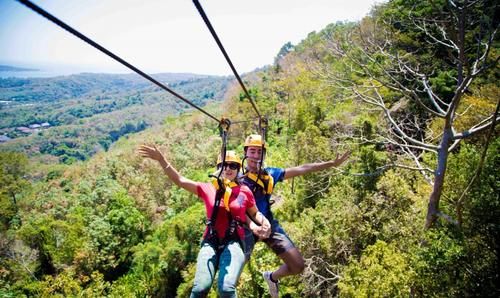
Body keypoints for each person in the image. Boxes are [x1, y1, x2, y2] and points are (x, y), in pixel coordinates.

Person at [138, 145, 271, 298]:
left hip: (234, 241)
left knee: (227, 288)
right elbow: (180, 180)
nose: (228, 168)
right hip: (211, 240)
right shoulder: (208, 188)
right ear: (218, 167)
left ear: (238, 168)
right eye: (224, 165)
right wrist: (162, 160)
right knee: (200, 288)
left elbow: (255, 213)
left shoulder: (244, 191)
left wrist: (264, 221)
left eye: (233, 165)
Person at [241, 134, 351, 298]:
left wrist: (331, 164)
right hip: (247, 227)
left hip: (269, 225)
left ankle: (272, 277)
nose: (256, 156)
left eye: (259, 152)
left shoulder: (270, 174)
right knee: (232, 273)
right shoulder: (238, 179)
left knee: (298, 266)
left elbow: (302, 169)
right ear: (245, 153)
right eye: (252, 151)